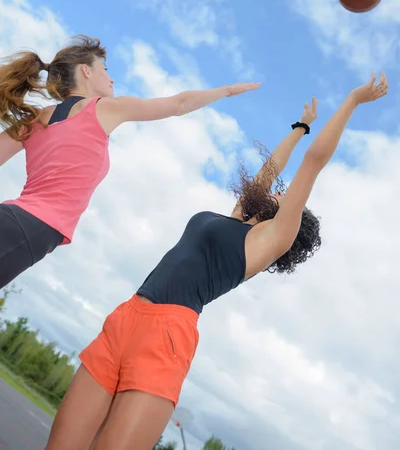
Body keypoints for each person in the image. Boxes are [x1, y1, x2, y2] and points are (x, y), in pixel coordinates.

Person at [45, 72, 388, 450]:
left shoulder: (270, 240)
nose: (278, 188)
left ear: (290, 215)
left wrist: (353, 100)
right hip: (126, 316)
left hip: (167, 336)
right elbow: (272, 167)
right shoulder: (238, 217)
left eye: (285, 196)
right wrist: (302, 125)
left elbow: (313, 162)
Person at [0, 35, 260, 289]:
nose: (111, 78)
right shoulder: (101, 108)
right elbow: (178, 105)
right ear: (85, 71)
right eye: (104, 68)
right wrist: (226, 90)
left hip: (17, 221)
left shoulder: (36, 120)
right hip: (29, 227)